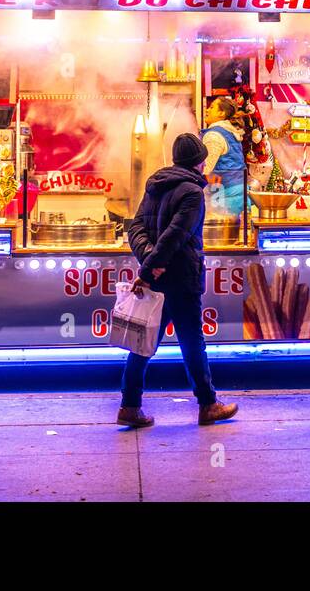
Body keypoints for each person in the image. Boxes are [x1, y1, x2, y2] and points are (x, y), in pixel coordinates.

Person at [118, 133, 238, 429]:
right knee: (192, 342)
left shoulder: (156, 186)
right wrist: (150, 268)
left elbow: (137, 229)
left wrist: (149, 263)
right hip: (182, 277)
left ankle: (129, 406)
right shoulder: (192, 192)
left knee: (143, 343)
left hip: (159, 277)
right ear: (199, 162)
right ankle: (208, 405)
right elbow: (176, 235)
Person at [201, 96, 247, 219]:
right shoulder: (230, 132)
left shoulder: (214, 135)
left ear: (222, 113)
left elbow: (205, 169)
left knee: (221, 235)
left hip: (224, 196)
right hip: (239, 193)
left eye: (211, 108)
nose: (207, 110)